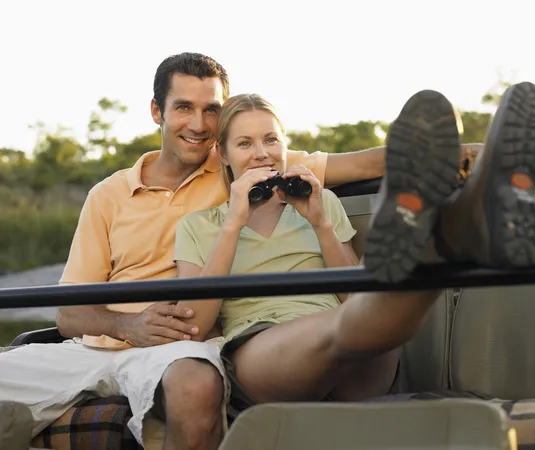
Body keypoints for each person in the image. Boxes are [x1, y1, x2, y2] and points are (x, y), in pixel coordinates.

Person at [0, 52, 390, 450]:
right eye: (184, 108)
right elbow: (69, 313)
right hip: (98, 347)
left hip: (179, 347)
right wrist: (128, 326)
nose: (199, 125)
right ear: (158, 111)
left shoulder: (244, 169)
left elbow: (358, 165)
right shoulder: (108, 194)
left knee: (195, 381)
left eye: (211, 110)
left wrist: (453, 154)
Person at [173, 83, 535, 411]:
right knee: (365, 310)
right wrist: (234, 222)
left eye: (271, 139)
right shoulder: (198, 226)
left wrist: (320, 221)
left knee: (366, 310)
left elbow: (352, 296)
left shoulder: (321, 206)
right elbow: (194, 326)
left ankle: (452, 225)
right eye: (245, 143)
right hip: (265, 356)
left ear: (285, 145)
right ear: (223, 154)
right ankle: (450, 233)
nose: (262, 152)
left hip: (360, 355)